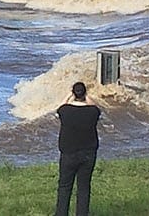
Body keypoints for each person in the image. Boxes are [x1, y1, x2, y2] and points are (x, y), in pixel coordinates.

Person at [55, 81, 101, 216]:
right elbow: (95, 107)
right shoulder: (92, 112)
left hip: (68, 154)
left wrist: (69, 95)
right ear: (85, 94)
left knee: (64, 187)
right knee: (84, 187)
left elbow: (61, 106)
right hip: (88, 153)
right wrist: (87, 96)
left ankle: (61, 213)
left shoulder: (65, 111)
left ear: (73, 94)